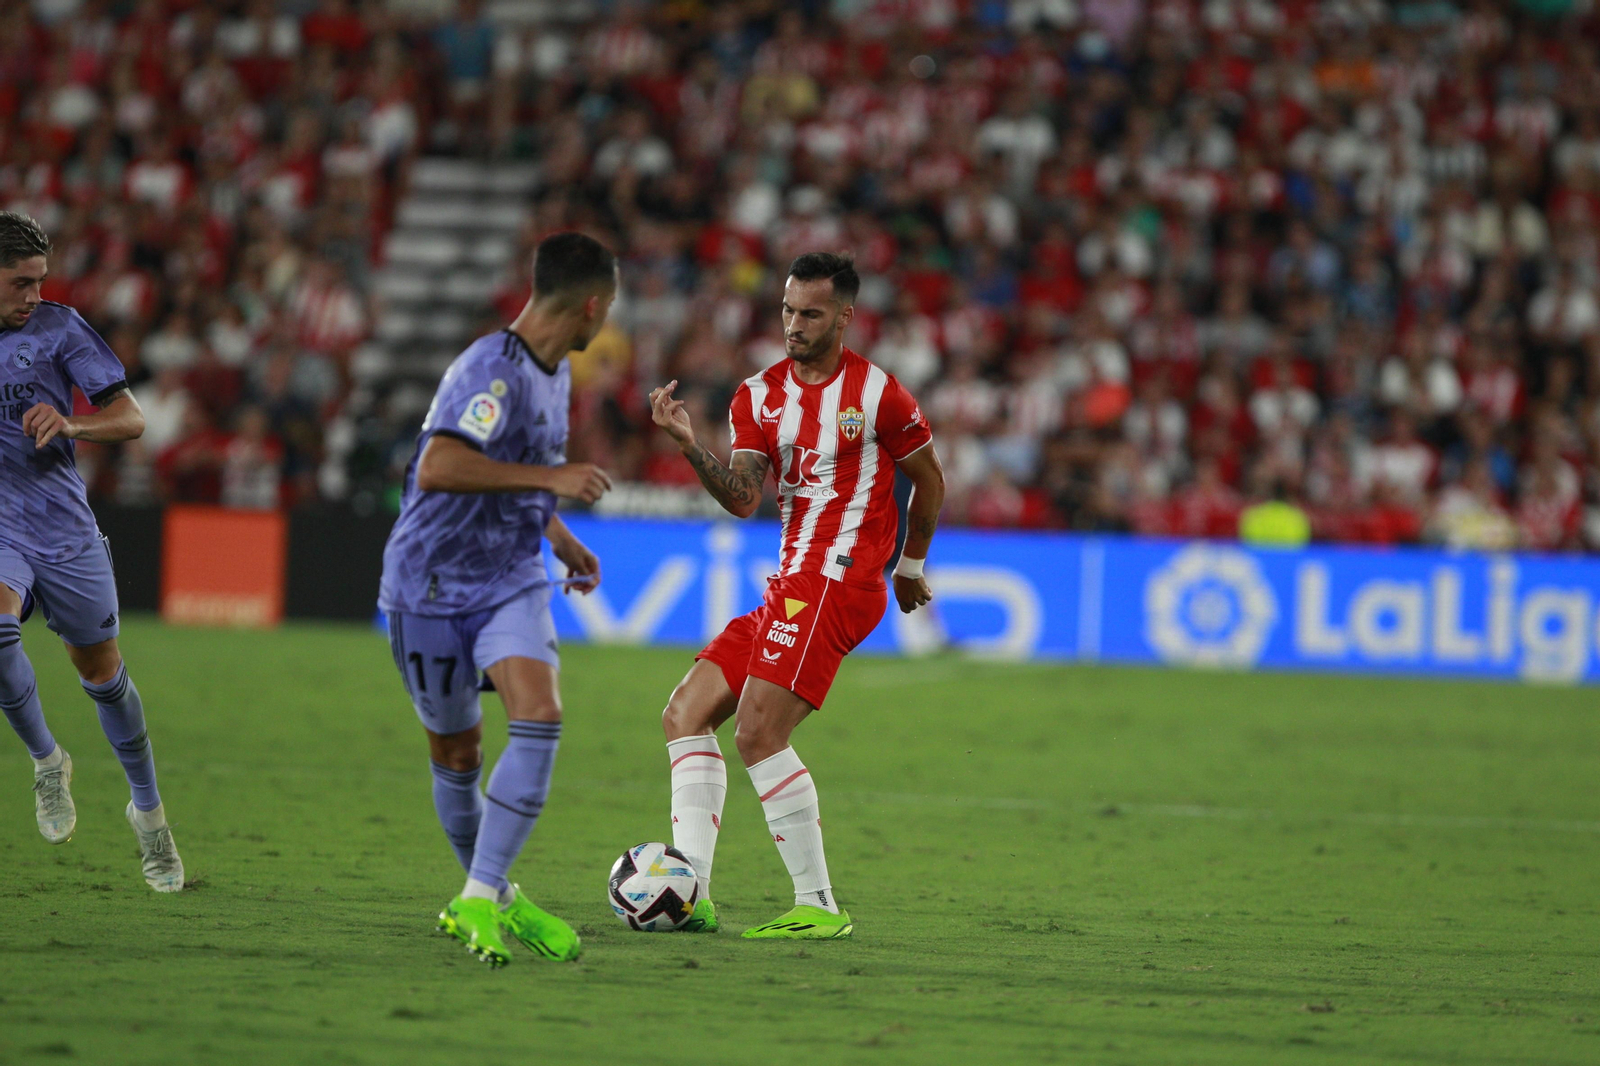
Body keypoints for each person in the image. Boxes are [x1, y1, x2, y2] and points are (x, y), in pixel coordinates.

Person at [649, 252, 945, 939]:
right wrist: (692, 448)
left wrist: (909, 564)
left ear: (844, 316)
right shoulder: (757, 395)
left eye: (810, 313)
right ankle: (692, 893)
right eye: (787, 310)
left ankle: (818, 905)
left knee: (757, 733)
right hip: (790, 585)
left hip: (839, 580)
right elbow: (745, 498)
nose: (794, 324)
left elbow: (929, 481)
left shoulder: (880, 396)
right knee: (684, 714)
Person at [377, 231, 617, 967]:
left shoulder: (554, 371)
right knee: (457, 749)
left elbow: (522, 469)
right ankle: (500, 897)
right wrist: (551, 481)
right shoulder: (491, 371)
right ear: (590, 305)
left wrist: (559, 535)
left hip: (509, 575)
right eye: (607, 311)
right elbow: (443, 465)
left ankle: (476, 896)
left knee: (539, 713)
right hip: (429, 583)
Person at [0, 210, 184, 892]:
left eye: (40, 281)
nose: (33, 296)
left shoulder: (59, 328)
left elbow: (132, 417)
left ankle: (149, 814)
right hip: (2, 526)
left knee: (103, 676)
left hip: (63, 527)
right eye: (21, 283)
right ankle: (47, 761)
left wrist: (72, 420)